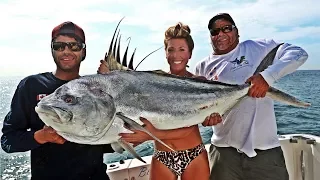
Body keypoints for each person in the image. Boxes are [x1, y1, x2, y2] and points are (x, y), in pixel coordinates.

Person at [98, 22, 221, 180]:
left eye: (182, 49)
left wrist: (151, 135)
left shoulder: (199, 83)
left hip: (194, 155)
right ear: (165, 53)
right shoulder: (153, 82)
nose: (176, 55)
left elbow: (188, 127)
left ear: (190, 53)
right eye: (171, 49)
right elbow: (129, 87)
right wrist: (109, 77)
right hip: (163, 156)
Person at [195, 13, 309, 180]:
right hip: (223, 154)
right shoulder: (202, 67)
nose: (220, 34)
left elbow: (298, 53)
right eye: (214, 32)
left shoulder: (258, 47)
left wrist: (266, 77)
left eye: (226, 28)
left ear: (236, 31)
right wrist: (204, 119)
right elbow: (200, 107)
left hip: (266, 152)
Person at [1, 21, 113, 180]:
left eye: (74, 46)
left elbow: (104, 143)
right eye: (59, 46)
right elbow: (7, 141)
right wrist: (41, 136)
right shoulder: (31, 86)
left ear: (83, 51)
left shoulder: (96, 89)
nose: (66, 51)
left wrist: (129, 140)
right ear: (52, 50)